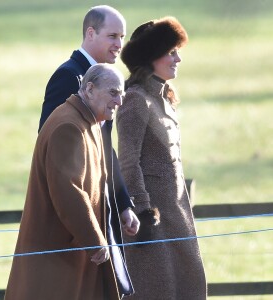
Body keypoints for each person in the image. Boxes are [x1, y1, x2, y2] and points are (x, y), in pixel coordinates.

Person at [5, 64, 136, 300]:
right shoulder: (69, 126)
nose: (119, 101)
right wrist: (94, 241)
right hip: (58, 257)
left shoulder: (89, 121)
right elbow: (69, 191)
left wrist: (123, 209)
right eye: (113, 93)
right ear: (89, 89)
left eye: (122, 94)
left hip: (73, 255)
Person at [116, 17, 207, 299]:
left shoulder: (163, 98)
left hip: (177, 218)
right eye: (171, 52)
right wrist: (144, 213)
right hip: (154, 224)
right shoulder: (136, 99)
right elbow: (128, 163)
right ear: (150, 57)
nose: (178, 58)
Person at [38, 5, 138, 261]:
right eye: (112, 36)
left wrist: (123, 203)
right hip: (73, 221)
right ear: (90, 33)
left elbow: (104, 149)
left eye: (122, 37)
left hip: (98, 208)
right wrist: (82, 225)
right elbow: (51, 147)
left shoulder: (108, 79)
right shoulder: (69, 77)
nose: (119, 44)